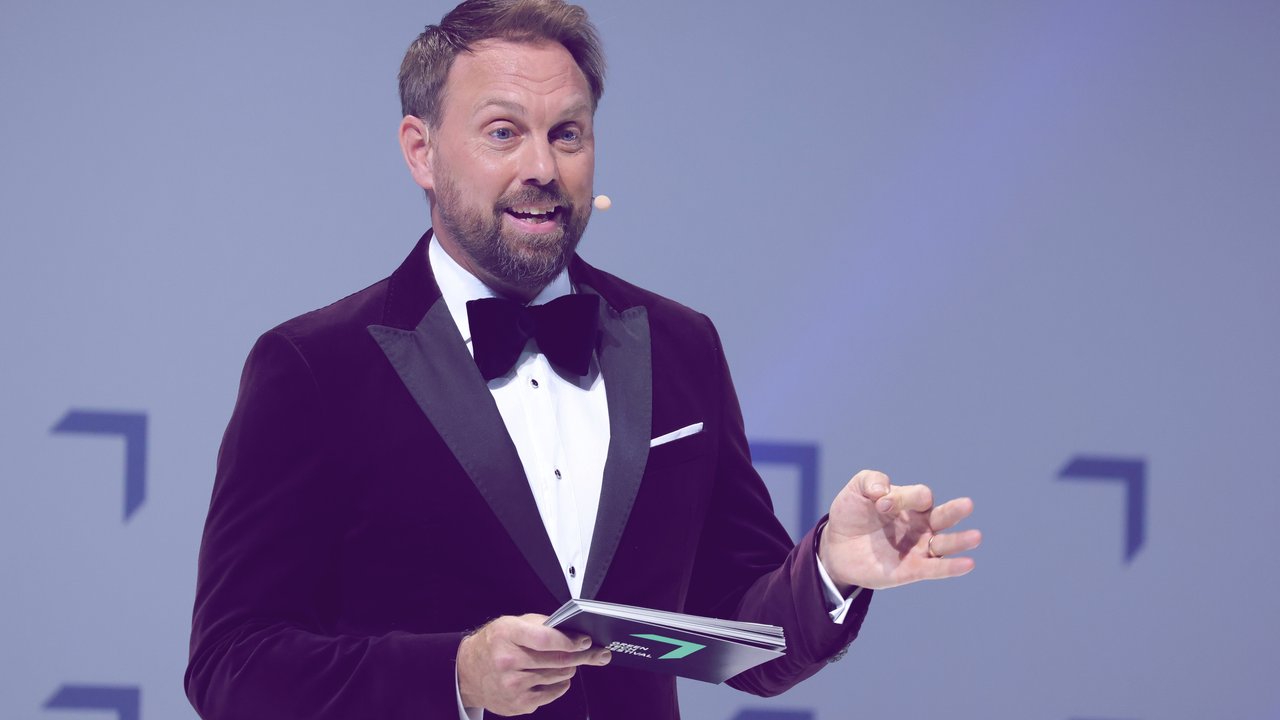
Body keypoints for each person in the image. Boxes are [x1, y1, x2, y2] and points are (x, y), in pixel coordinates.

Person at [184, 1, 982, 718]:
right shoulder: (313, 368)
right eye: (504, 132)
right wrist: (456, 677)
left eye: (567, 133)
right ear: (421, 151)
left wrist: (831, 572)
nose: (542, 168)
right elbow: (231, 668)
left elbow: (741, 640)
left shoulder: (678, 344)